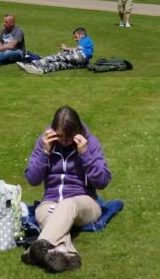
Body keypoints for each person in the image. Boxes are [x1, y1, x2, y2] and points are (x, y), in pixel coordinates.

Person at [22, 106, 111, 273]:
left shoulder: (90, 143)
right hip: (50, 201)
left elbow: (103, 182)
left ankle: (34, 249)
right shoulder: (45, 141)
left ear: (77, 131)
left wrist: (85, 154)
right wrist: (44, 152)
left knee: (67, 204)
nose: (64, 141)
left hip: (84, 203)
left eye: (68, 137)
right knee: (50, 215)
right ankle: (67, 255)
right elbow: (33, 180)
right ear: (54, 130)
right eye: (60, 136)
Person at [19, 28, 93, 74]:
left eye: (76, 37)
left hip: (80, 57)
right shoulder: (86, 41)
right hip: (82, 64)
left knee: (56, 57)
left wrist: (66, 48)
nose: (75, 39)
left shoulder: (85, 39)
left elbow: (78, 50)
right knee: (60, 65)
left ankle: (35, 64)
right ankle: (41, 70)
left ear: (81, 35)